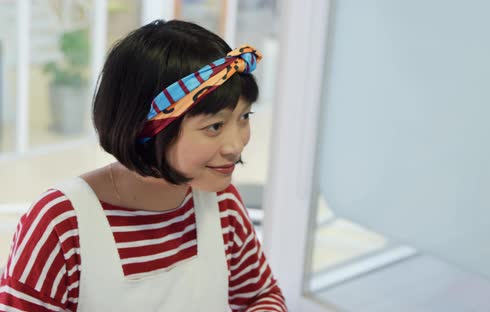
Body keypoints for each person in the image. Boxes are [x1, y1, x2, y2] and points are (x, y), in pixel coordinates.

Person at [0, 20, 286, 311]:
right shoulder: (60, 225)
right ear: (147, 128)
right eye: (214, 126)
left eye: (244, 117)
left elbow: (260, 296)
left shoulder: (222, 204)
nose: (235, 146)